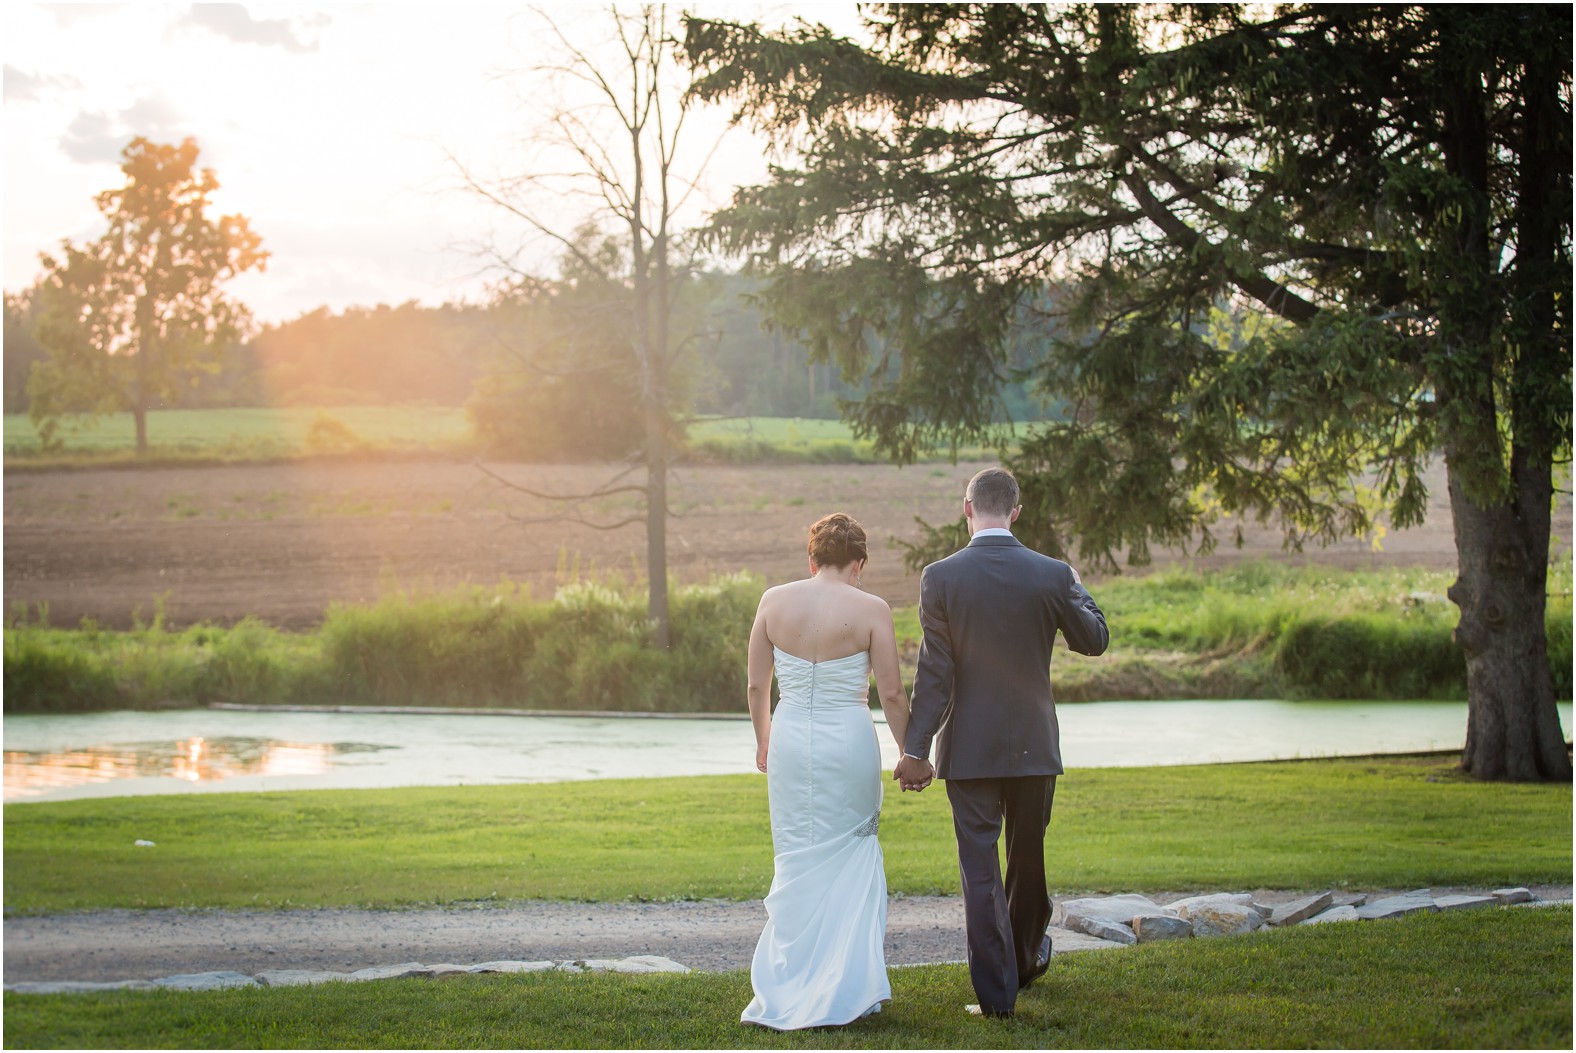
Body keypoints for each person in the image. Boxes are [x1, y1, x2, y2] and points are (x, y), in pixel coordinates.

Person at [893, 466, 1109, 1018]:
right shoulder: (1053, 573)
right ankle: (1027, 960)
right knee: (1028, 861)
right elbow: (1095, 640)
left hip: (968, 749)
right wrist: (1076, 586)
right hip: (1034, 745)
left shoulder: (940, 577)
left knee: (981, 870)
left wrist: (916, 750)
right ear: (1015, 511)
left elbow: (934, 673)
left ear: (967, 508)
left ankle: (997, 995)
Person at [741, 512, 912, 1030]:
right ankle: (847, 984)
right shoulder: (872, 609)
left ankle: (790, 981)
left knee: (794, 853)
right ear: (858, 563)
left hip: (791, 739)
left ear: (811, 559)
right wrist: (910, 754)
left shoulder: (773, 602)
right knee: (853, 851)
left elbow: (755, 688)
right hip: (849, 742)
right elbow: (892, 694)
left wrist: (764, 741)